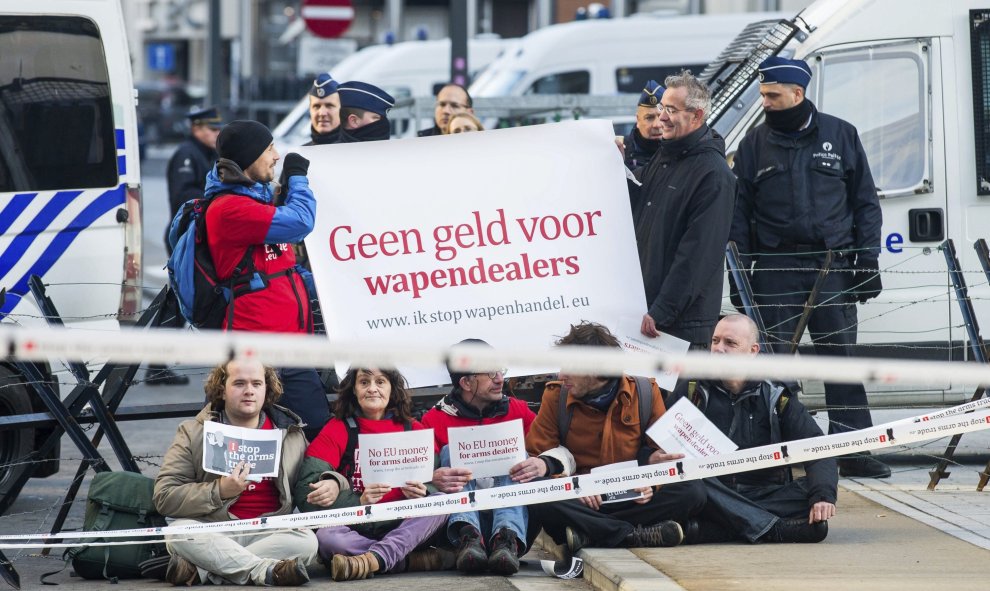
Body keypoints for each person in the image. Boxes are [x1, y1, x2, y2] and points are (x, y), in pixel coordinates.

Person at [729, 56, 889, 478]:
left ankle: (854, 450)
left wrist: (866, 259)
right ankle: (783, 451)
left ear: (797, 94)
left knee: (841, 361)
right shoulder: (753, 144)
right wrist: (738, 272)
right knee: (775, 364)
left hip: (830, 266)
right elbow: (739, 214)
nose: (765, 102)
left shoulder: (841, 134)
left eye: (772, 95)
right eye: (763, 95)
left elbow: (865, 204)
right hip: (775, 269)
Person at [526, 322, 705, 553]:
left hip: (632, 496)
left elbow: (664, 456)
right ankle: (632, 534)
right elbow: (538, 458)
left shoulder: (645, 391)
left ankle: (592, 533)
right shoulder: (556, 396)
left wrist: (653, 483)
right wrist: (575, 487)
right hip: (583, 500)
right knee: (536, 490)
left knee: (694, 490)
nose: (562, 375)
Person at [204, 120, 330, 440]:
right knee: (248, 442)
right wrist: (299, 179)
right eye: (269, 148)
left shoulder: (257, 202)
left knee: (317, 433)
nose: (276, 156)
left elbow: (286, 268)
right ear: (249, 158)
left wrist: (337, 286)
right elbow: (302, 221)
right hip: (255, 354)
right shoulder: (231, 209)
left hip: (292, 349)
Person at [668, 314, 836, 544]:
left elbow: (817, 446)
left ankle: (711, 530)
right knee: (689, 484)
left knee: (813, 489)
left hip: (762, 491)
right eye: (715, 341)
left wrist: (823, 496)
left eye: (730, 343)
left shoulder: (776, 394)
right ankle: (772, 529)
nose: (718, 349)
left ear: (753, 350)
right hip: (711, 490)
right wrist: (657, 456)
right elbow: (656, 445)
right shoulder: (692, 389)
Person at [153, 359, 315, 586]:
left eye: (257, 384)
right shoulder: (192, 432)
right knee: (179, 533)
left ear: (266, 389)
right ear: (222, 389)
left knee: (307, 541)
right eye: (239, 383)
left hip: (268, 530)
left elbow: (311, 482)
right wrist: (219, 490)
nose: (249, 391)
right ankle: (265, 571)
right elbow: (165, 497)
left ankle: (203, 570)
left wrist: (330, 482)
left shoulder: (290, 433)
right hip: (215, 529)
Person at [294, 367, 451, 581]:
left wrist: (425, 491)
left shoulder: (414, 429)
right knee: (327, 537)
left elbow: (436, 482)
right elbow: (305, 491)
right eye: (364, 382)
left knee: (440, 502)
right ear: (354, 390)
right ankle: (408, 561)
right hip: (356, 526)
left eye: (380, 382)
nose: (372, 389)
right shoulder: (337, 428)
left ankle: (370, 561)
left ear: (392, 390)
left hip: (404, 525)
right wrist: (358, 501)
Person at [629, 71, 735, 349]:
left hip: (678, 326)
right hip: (651, 317)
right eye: (662, 107)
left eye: (671, 110)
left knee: (678, 395)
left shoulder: (713, 174)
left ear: (696, 116)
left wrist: (661, 311)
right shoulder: (665, 157)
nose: (662, 116)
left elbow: (697, 256)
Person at [420, 339, 540, 575]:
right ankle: (468, 534)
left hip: (515, 532)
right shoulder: (432, 421)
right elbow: (416, 481)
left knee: (521, 453)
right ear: (466, 382)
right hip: (455, 533)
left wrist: (540, 463)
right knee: (449, 452)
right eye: (491, 372)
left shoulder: (519, 410)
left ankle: (506, 538)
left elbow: (553, 453)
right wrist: (433, 478)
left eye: (500, 370)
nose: (499, 379)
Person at [150, 106, 222, 386]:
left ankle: (158, 363)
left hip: (197, 238)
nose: (216, 134)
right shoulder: (186, 155)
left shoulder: (206, 154)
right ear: (196, 129)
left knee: (184, 301)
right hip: (185, 239)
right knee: (178, 302)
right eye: (212, 130)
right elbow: (184, 196)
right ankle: (156, 364)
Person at [622, 80, 664, 169]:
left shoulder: (683, 150)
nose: (657, 125)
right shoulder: (621, 152)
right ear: (638, 120)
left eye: (661, 117)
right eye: (649, 118)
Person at [304, 72, 341, 146]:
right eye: (316, 106)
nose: (322, 113)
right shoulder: (301, 153)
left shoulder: (354, 151)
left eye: (329, 106)